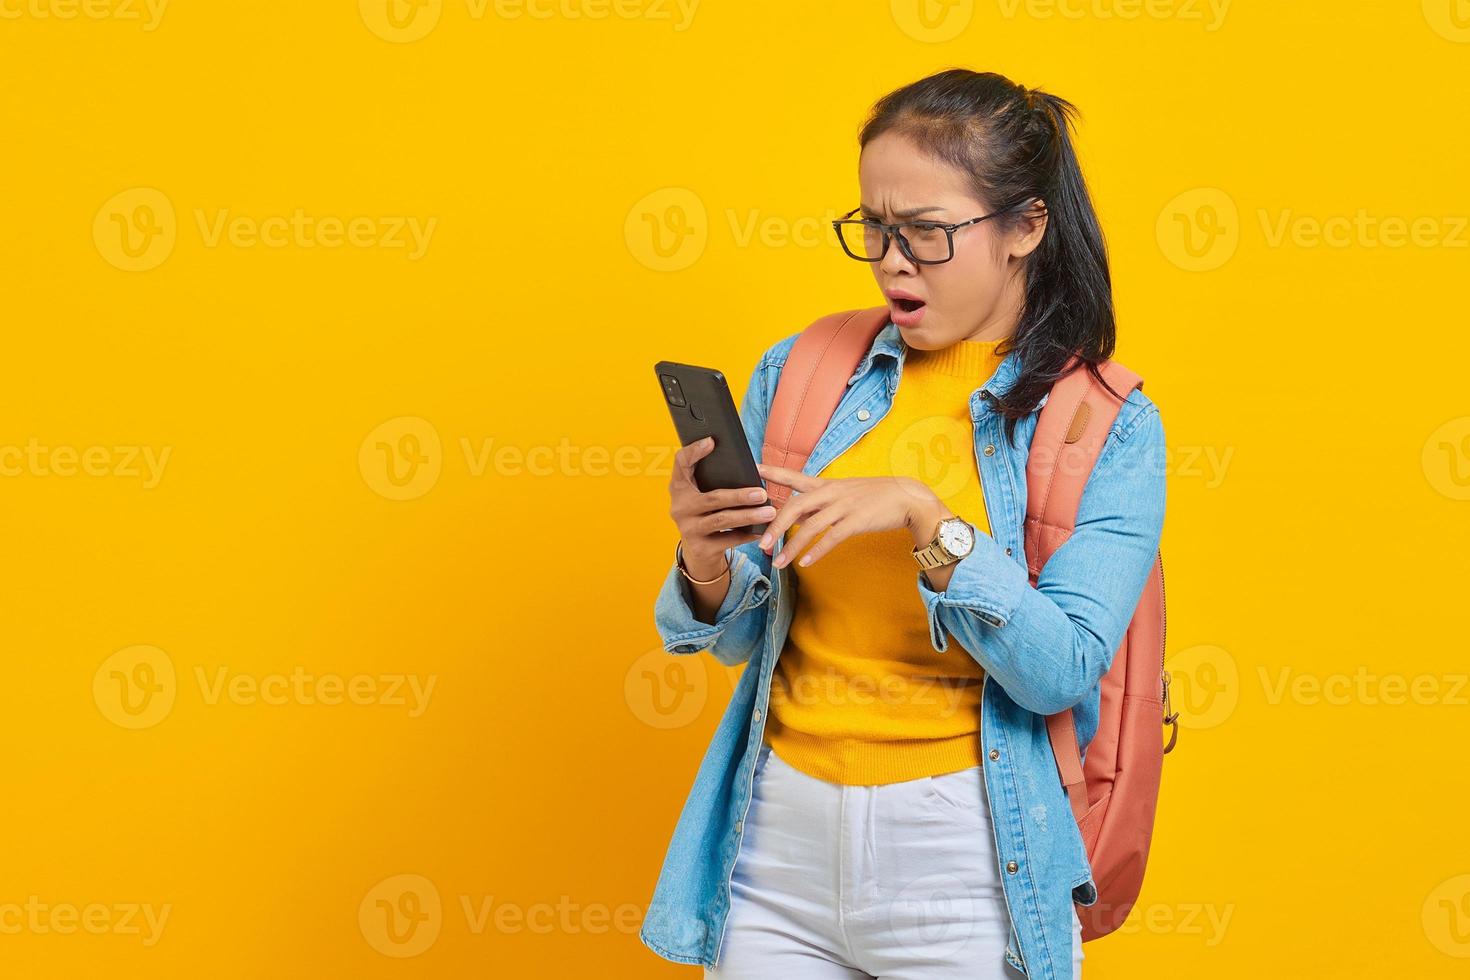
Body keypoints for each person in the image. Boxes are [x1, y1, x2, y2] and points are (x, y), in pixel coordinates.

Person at [641, 67, 1166, 980]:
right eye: (875, 229)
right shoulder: (805, 368)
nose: (893, 260)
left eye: (926, 232)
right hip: (775, 846)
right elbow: (734, 647)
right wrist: (704, 556)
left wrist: (932, 523)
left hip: (967, 858)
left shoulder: (1103, 423)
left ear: (1025, 229)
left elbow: (1060, 671)